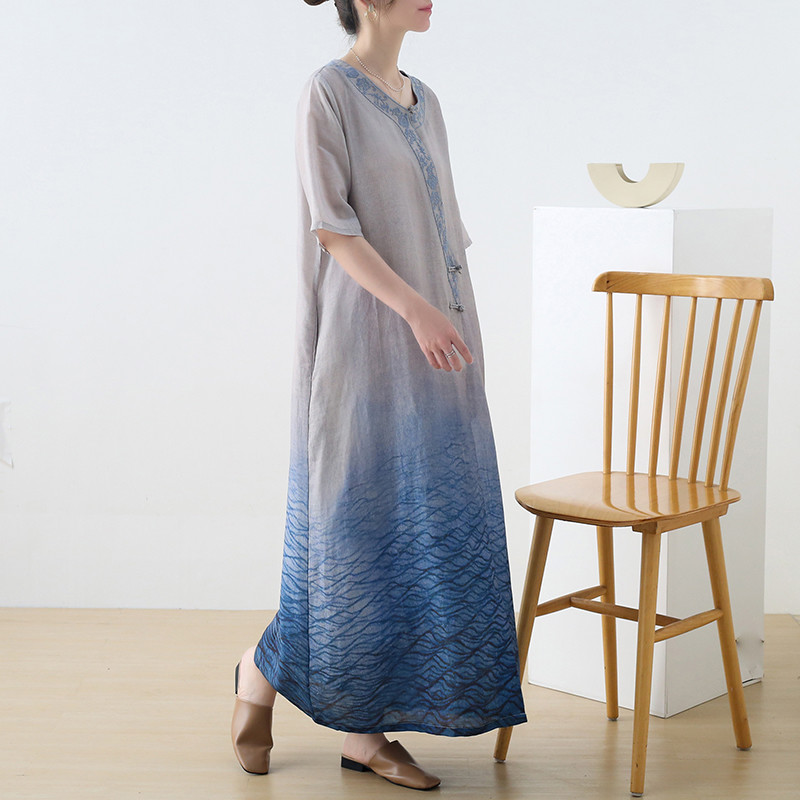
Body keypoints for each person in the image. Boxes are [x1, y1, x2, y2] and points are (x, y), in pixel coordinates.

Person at [231, 0, 527, 790]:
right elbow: (334, 230)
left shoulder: (427, 101)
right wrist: (416, 309)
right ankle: (355, 730)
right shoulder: (326, 93)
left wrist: (449, 316)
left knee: (422, 529)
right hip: (362, 345)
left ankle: (266, 675)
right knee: (355, 532)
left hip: (439, 348)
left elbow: (445, 231)